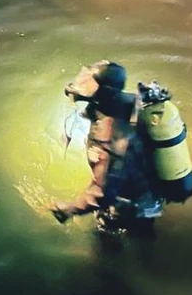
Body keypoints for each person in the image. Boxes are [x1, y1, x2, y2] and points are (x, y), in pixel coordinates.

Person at [50, 60, 157, 225]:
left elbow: (102, 194)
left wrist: (68, 209)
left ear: (103, 93)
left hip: (132, 206)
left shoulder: (112, 140)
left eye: (90, 84)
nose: (84, 86)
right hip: (141, 182)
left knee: (107, 236)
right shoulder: (125, 102)